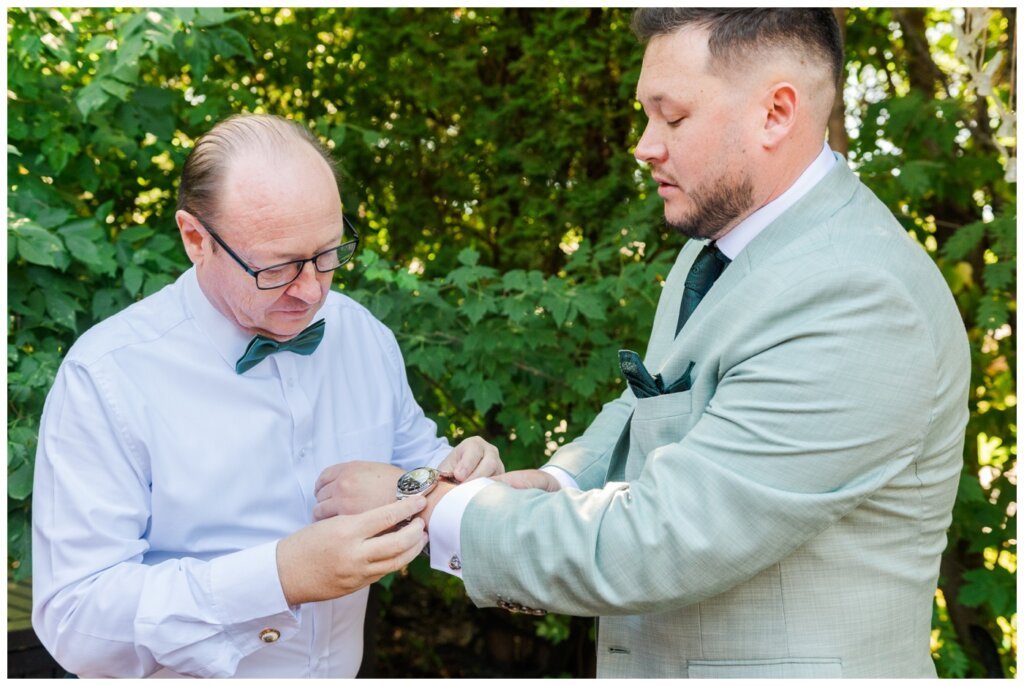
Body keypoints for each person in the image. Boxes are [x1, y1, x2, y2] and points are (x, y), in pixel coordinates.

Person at [314, 9, 971, 678]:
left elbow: (665, 541)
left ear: (776, 113)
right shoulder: (714, 249)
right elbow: (655, 400)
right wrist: (553, 480)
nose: (644, 145)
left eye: (673, 117)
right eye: (646, 116)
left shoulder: (860, 299)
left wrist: (430, 503)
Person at [31, 113, 503, 678]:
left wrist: (452, 478)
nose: (310, 291)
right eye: (277, 268)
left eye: (328, 254)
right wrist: (276, 578)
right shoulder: (106, 376)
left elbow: (413, 470)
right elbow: (74, 616)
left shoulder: (363, 336)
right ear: (195, 239)